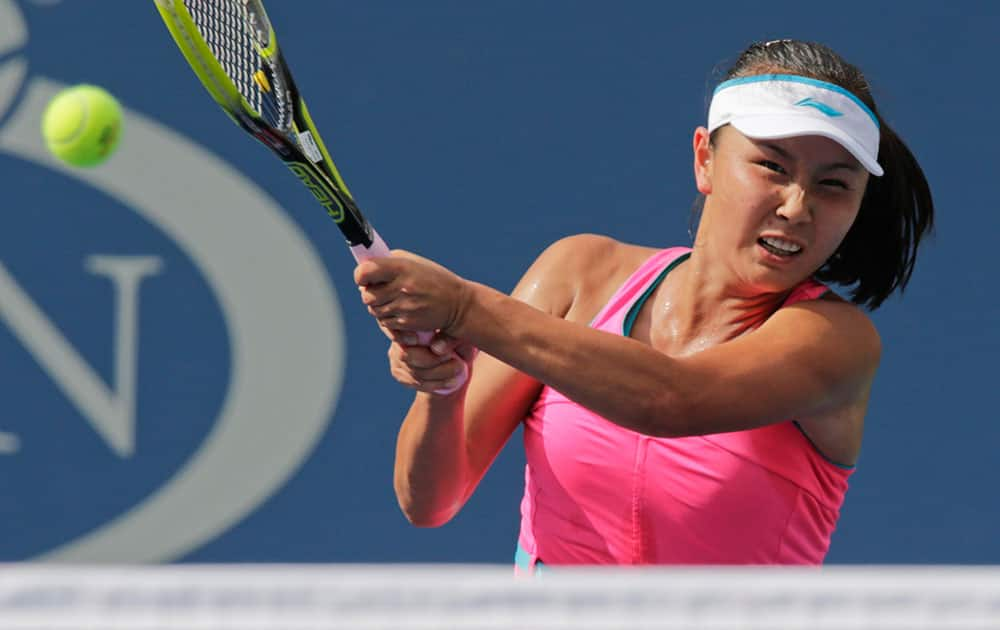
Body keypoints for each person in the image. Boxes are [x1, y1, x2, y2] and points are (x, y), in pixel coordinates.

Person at [354, 39, 934, 569]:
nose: (796, 206)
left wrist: (464, 308)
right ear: (705, 158)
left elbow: (672, 400)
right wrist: (444, 386)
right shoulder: (579, 273)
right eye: (772, 166)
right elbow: (429, 500)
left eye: (834, 185)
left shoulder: (836, 340)